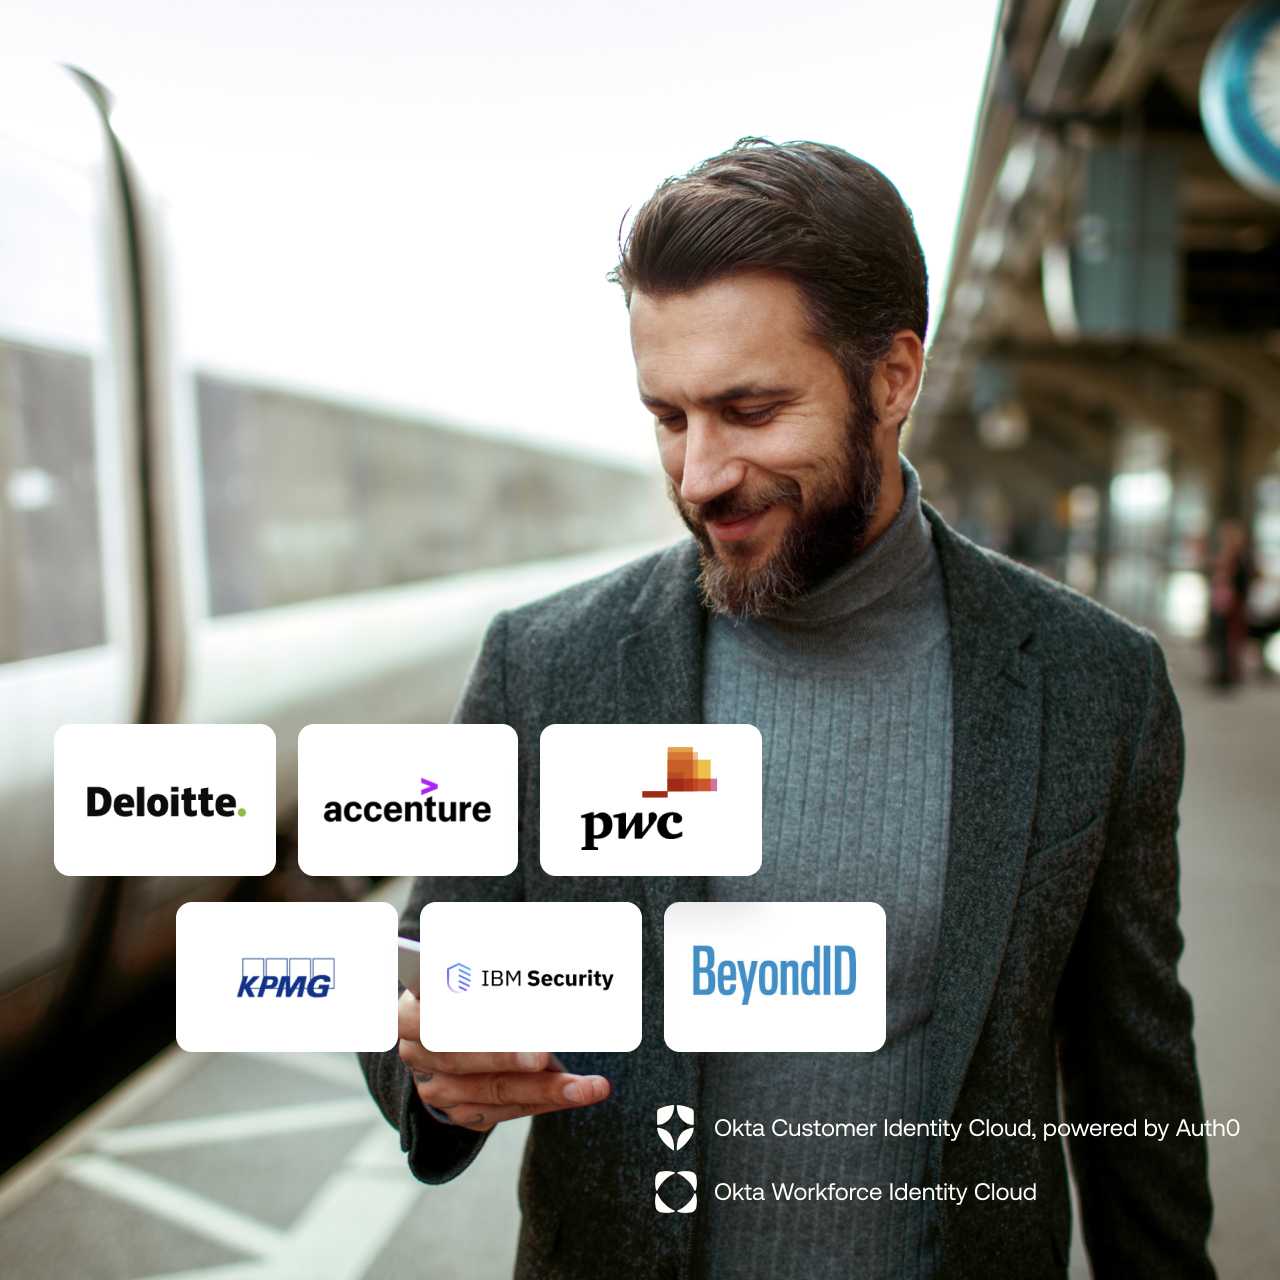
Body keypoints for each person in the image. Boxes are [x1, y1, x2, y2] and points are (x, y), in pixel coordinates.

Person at [360, 138, 1214, 1279]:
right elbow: (420, 977)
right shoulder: (546, 666)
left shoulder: (1092, 683)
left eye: (749, 409)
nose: (700, 472)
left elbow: (1133, 1087)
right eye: (667, 416)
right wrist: (434, 1063)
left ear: (893, 377)